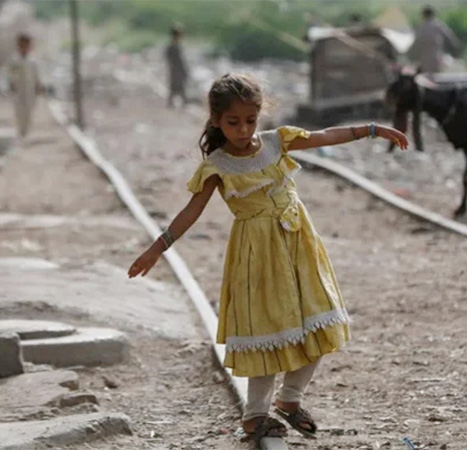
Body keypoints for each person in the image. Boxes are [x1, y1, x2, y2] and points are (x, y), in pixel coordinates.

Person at [128, 74, 409, 443]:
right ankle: (255, 415)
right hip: (256, 254)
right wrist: (157, 247)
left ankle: (290, 400)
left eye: (250, 120)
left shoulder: (279, 142)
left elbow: (324, 136)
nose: (243, 130)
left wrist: (373, 129)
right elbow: (191, 211)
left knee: (320, 321)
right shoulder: (218, 165)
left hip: (298, 245)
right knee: (267, 334)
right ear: (215, 120)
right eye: (233, 122)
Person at [7, 33, 43, 145]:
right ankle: (21, 133)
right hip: (19, 90)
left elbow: (37, 75)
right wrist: (11, 84)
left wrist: (39, 86)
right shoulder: (14, 59)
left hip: (30, 90)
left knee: (29, 111)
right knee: (19, 112)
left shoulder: (33, 60)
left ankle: (25, 133)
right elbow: (9, 74)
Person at [409, 5, 460, 75]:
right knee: (436, 77)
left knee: (426, 77)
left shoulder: (420, 28)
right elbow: (451, 38)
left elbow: (414, 44)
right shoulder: (438, 25)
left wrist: (412, 57)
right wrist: (456, 48)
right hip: (436, 57)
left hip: (424, 59)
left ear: (423, 15)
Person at [165, 24, 188, 108]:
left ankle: (174, 103)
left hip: (175, 69)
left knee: (176, 87)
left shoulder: (174, 45)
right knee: (178, 86)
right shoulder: (173, 46)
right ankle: (182, 103)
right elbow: (177, 59)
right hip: (176, 70)